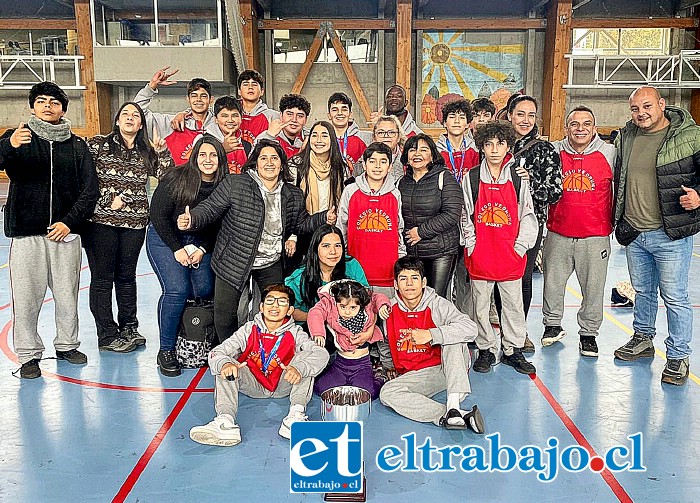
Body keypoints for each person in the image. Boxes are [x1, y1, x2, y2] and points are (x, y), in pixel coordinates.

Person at [177, 139, 332, 341]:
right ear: (255, 163)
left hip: (270, 260)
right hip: (233, 260)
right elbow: (210, 209)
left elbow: (299, 224)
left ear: (282, 164)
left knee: (276, 309)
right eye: (263, 158)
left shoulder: (292, 194)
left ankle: (264, 350)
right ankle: (229, 356)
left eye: (274, 158)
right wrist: (192, 219)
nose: (269, 163)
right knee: (225, 315)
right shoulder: (236, 183)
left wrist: (323, 217)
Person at [0, 81, 99, 379]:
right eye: (41, 101)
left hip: (65, 234)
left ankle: (67, 345)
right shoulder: (18, 138)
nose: (47, 106)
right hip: (27, 234)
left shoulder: (78, 146)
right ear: (33, 106)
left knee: (67, 295)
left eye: (54, 102)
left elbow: (90, 190)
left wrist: (69, 222)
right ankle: (29, 355)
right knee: (27, 297)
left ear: (63, 109)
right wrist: (10, 145)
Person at [612, 86, 700, 386]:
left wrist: (699, 196)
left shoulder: (689, 136)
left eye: (647, 106)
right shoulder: (627, 136)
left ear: (662, 104)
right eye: (635, 109)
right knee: (643, 293)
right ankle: (642, 339)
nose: (641, 113)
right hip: (635, 232)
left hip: (670, 234)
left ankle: (677, 356)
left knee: (675, 297)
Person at [84, 102, 175, 353]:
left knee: (126, 277)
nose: (130, 118)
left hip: (134, 224)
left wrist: (163, 151)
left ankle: (129, 327)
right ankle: (107, 334)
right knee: (102, 279)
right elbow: (83, 178)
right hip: (101, 222)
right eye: (125, 113)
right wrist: (105, 201)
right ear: (117, 120)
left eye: (136, 115)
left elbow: (167, 178)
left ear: (141, 124)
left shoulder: (145, 151)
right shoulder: (98, 145)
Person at [189, 284, 329, 446]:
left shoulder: (296, 333)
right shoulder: (248, 329)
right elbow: (217, 352)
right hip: (252, 384)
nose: (275, 305)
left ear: (290, 310)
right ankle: (225, 421)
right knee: (226, 365)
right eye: (270, 301)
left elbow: (321, 353)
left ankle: (295, 417)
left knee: (306, 359)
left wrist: (299, 368)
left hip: (285, 384)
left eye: (282, 302)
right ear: (261, 307)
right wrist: (225, 363)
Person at [147, 135, 227, 377]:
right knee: (177, 291)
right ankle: (167, 350)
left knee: (202, 290)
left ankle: (195, 341)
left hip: (199, 242)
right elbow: (158, 215)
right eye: (203, 154)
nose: (208, 160)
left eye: (213, 155)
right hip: (165, 238)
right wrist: (177, 249)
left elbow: (221, 226)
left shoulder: (225, 185)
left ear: (220, 159)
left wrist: (201, 248)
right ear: (195, 156)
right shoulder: (177, 177)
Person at [463, 121, 538, 375]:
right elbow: (466, 215)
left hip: (509, 252)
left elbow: (528, 214)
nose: (495, 149)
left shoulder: (518, 176)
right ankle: (485, 348)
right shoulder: (471, 177)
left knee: (513, 305)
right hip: (481, 252)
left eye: (500, 144)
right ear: (482, 146)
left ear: (508, 145)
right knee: (481, 305)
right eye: (489, 144)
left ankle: (512, 350)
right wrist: (471, 245)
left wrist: (520, 247)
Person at [542, 106, 615, 358]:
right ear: (566, 128)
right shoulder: (553, 151)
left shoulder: (610, 153)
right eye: (574, 124)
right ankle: (551, 325)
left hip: (595, 235)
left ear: (594, 128)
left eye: (586, 124)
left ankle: (588, 334)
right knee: (552, 283)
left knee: (594, 288)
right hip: (558, 231)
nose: (580, 128)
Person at [379, 257, 484, 433]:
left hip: (445, 369)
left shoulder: (437, 304)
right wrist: (388, 365)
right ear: (396, 284)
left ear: (423, 282)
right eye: (403, 279)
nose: (409, 284)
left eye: (414, 278)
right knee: (387, 393)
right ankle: (452, 414)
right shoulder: (389, 309)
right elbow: (384, 341)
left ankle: (452, 402)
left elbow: (470, 328)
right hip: (416, 374)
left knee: (453, 338)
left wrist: (432, 335)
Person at [503, 94, 562, 353]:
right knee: (499, 277)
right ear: (509, 115)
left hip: (529, 224)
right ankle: (504, 330)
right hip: (497, 224)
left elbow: (555, 191)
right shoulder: (497, 145)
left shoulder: (545, 150)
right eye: (520, 114)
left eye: (530, 115)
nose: (525, 120)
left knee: (523, 278)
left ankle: (520, 331)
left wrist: (530, 182)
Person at [398, 134, 464, 298]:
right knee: (415, 298)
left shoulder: (444, 177)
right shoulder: (402, 182)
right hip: (413, 251)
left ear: (432, 155)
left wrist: (421, 232)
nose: (417, 154)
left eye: (423, 150)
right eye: (412, 150)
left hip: (440, 251)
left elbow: (452, 214)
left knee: (436, 298)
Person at [338, 142, 406, 295]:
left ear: (389, 166)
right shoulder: (350, 191)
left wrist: (400, 260)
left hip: (387, 271)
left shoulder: (395, 194)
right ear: (364, 164)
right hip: (356, 270)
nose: (377, 166)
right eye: (372, 161)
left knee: (384, 315)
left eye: (383, 161)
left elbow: (399, 229)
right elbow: (341, 227)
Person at [308, 280, 391, 399]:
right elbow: (315, 312)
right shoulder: (330, 303)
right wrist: (318, 333)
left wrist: (383, 305)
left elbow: (378, 297)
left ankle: (379, 378)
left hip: (362, 365)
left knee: (367, 395)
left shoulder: (367, 302)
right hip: (340, 364)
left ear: (360, 305)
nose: (347, 312)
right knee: (320, 389)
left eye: (353, 307)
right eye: (342, 306)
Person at [285, 225, 369, 324]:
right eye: (326, 246)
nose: (333, 252)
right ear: (315, 248)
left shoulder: (351, 265)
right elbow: (290, 311)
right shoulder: (300, 276)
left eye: (337, 245)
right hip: (310, 325)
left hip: (348, 324)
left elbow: (368, 300)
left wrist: (368, 331)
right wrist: (322, 317)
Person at [134, 67, 218, 164]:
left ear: (211, 100)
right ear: (188, 99)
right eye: (194, 95)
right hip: (178, 178)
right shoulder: (172, 123)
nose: (198, 99)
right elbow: (137, 113)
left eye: (203, 96)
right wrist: (151, 87)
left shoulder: (219, 123)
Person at [288, 121, 349, 216]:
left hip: (331, 224)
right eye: (314, 135)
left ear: (332, 139)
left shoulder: (341, 167)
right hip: (303, 225)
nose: (318, 140)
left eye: (324, 136)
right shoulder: (296, 164)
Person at [437, 99, 480, 182]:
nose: (457, 121)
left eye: (462, 117)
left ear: (467, 124)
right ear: (445, 123)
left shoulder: (476, 150)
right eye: (452, 117)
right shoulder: (436, 151)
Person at [256, 93, 311, 159]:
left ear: (305, 120)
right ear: (281, 116)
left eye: (300, 116)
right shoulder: (268, 137)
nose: (294, 120)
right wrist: (268, 136)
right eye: (289, 114)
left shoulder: (310, 141)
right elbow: (253, 161)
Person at [354, 114, 406, 181]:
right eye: (381, 132)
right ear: (374, 137)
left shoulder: (406, 161)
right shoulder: (362, 161)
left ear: (398, 137)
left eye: (391, 132)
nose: (386, 136)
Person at [327, 92, 372, 164]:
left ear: (350, 114)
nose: (339, 113)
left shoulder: (365, 138)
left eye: (344, 109)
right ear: (329, 115)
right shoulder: (323, 139)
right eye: (335, 110)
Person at [237, 69, 280, 144]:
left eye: (254, 84)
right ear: (239, 91)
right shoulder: (229, 114)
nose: (250, 87)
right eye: (246, 84)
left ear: (262, 91)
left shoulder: (273, 116)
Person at [212, 96, 252, 174]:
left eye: (234, 116)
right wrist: (222, 150)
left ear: (241, 118)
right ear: (216, 119)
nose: (230, 120)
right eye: (225, 116)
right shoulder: (205, 141)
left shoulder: (247, 145)